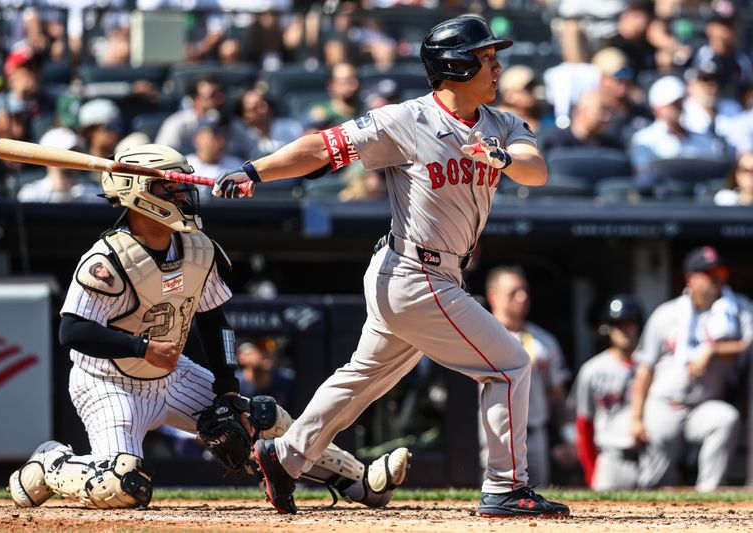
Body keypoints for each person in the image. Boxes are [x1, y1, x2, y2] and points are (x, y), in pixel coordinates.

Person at [212, 14, 570, 518]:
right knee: (510, 366)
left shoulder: (503, 123)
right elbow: (322, 146)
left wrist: (502, 159)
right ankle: (506, 487)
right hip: (412, 271)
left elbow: (536, 170)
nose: (497, 67)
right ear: (455, 66)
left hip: (431, 274)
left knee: (363, 377)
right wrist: (255, 171)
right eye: (486, 59)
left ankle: (284, 455)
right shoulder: (407, 120)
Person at [7, 143, 410, 510]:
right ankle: (52, 464)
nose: (183, 195)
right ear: (138, 195)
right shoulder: (107, 260)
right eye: (170, 188)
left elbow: (215, 321)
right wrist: (141, 348)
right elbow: (72, 331)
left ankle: (359, 481)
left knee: (262, 418)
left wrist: (227, 388)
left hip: (173, 375)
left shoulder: (197, 247)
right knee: (123, 485)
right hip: (109, 383)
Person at [629, 246, 753, 491]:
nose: (717, 277)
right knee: (653, 482)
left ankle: (707, 494)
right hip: (665, 404)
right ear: (690, 279)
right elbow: (645, 370)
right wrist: (636, 418)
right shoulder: (667, 314)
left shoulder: (736, 309)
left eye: (720, 271)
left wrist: (713, 350)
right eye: (708, 273)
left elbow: (749, 343)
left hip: (702, 405)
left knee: (726, 419)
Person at [483, 266, 571, 488]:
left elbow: (556, 392)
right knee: (491, 496)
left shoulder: (544, 341)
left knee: (537, 496)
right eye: (513, 292)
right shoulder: (480, 337)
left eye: (524, 291)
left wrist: (566, 435)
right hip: (491, 434)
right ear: (493, 296)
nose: (522, 297)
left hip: (534, 433)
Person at [571, 295, 644, 490]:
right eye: (617, 323)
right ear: (608, 328)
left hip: (648, 456)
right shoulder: (592, 370)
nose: (624, 329)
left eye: (629, 322)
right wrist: (591, 470)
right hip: (611, 459)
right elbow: (584, 425)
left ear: (638, 324)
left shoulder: (651, 367)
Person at [16, 127, 102, 203]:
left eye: (76, 151)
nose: (74, 157)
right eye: (67, 152)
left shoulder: (93, 194)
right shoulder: (31, 195)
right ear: (48, 157)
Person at [236, 338, 296, 413]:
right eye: (260, 346)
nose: (267, 351)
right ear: (241, 356)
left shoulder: (288, 382)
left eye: (271, 345)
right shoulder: (234, 386)